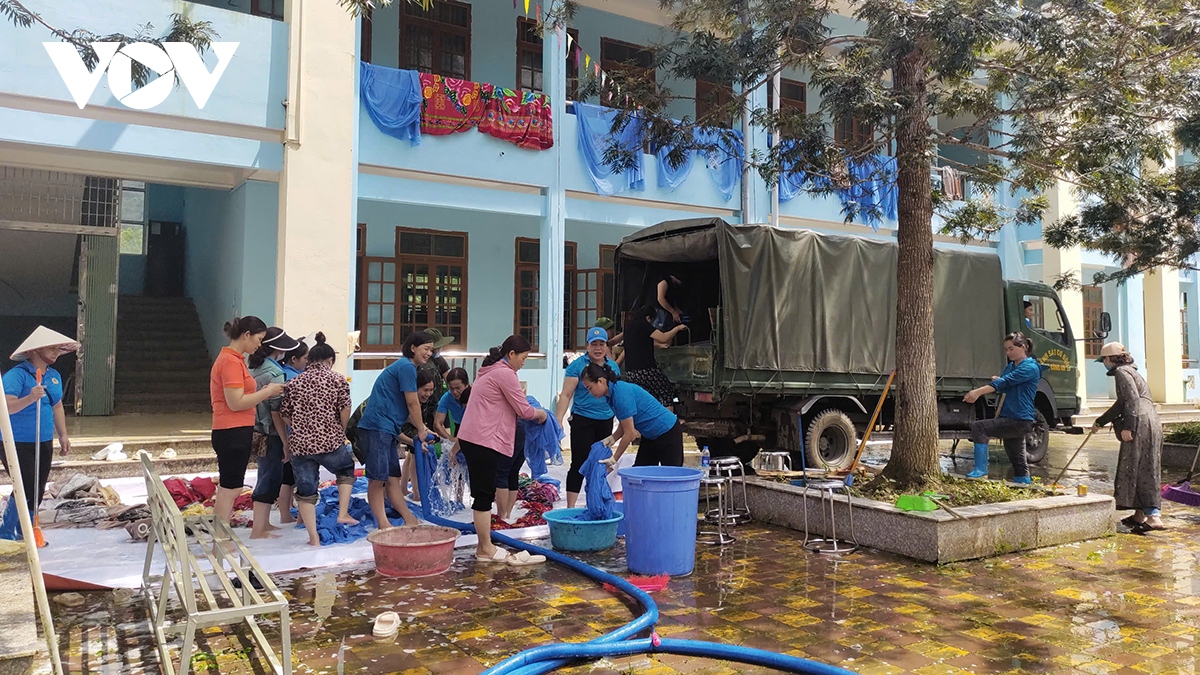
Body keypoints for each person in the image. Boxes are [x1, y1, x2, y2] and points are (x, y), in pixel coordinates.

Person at [457, 335, 548, 564]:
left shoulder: (491, 370)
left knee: (483, 492)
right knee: (484, 494)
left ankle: (483, 546)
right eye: (524, 358)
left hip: (475, 438)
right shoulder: (505, 373)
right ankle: (485, 547)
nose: (524, 362)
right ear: (511, 355)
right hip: (482, 440)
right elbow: (524, 410)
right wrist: (542, 414)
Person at [0, 326, 79, 546]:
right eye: (51, 348)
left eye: (57, 349)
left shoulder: (53, 376)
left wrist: (63, 435)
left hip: (43, 439)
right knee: (24, 484)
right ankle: (8, 529)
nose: (56, 353)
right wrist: (30, 398)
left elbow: (57, 407)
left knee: (38, 485)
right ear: (34, 351)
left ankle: (29, 527)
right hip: (16, 440)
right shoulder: (16, 376)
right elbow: (5, 407)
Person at [278, 333, 359, 546]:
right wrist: (340, 430)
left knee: (306, 490)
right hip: (329, 441)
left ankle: (313, 537)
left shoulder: (294, 382)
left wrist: (296, 426)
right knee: (345, 470)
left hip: (300, 445)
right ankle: (343, 513)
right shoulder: (338, 380)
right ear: (330, 361)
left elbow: (283, 412)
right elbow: (345, 408)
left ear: (310, 360)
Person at [210, 316, 285, 526]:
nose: (259, 345)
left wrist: (262, 392)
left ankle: (220, 537)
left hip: (236, 430)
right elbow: (236, 403)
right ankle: (220, 540)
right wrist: (267, 392)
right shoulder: (230, 362)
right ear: (246, 335)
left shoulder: (235, 360)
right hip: (231, 431)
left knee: (229, 487)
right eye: (259, 339)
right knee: (230, 489)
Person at [356, 332, 431, 529]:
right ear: (413, 348)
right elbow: (412, 402)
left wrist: (421, 429)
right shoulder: (407, 366)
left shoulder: (405, 367)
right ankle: (383, 523)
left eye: (432, 349)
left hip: (385, 428)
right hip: (376, 428)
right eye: (426, 348)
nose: (429, 353)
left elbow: (403, 410)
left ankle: (409, 518)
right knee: (377, 478)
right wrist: (421, 428)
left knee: (392, 478)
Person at [1092, 342, 1165, 533]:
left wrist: (1129, 427)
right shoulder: (1132, 371)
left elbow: (1131, 400)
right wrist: (1101, 421)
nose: (1104, 364)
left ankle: (1153, 516)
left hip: (1139, 423)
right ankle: (1140, 514)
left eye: (1104, 360)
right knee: (1141, 465)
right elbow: (1121, 403)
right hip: (1151, 421)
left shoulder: (1122, 373)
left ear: (1109, 359)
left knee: (1138, 467)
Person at [555, 327, 621, 508]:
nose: (598, 348)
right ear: (587, 345)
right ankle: (570, 507)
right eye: (594, 344)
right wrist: (558, 419)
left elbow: (618, 394)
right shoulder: (577, 366)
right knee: (579, 462)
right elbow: (566, 395)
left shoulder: (612, 367)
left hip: (605, 420)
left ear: (606, 346)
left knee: (600, 463)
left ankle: (595, 502)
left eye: (601, 344)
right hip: (583, 419)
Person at [963, 332, 1041, 483]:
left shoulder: (1030, 367)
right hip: (1010, 417)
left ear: (1023, 347)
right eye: (1006, 349)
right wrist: (1000, 381)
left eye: (1011, 349)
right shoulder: (1010, 367)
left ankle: (981, 470)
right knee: (1017, 459)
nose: (1008, 353)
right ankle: (1023, 484)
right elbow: (1006, 384)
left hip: (1020, 419)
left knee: (979, 428)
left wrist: (978, 392)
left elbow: (1004, 383)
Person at [247, 327, 300, 539]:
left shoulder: (253, 366)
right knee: (270, 477)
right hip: (271, 432)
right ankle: (259, 529)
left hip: (257, 429)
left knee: (266, 473)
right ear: (277, 349)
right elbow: (276, 411)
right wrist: (286, 441)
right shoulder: (275, 373)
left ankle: (264, 524)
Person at [579, 363, 685, 468]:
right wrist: (613, 438)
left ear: (601, 381)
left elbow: (630, 433)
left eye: (590, 388)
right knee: (640, 472)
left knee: (671, 475)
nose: (589, 392)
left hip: (667, 430)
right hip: (650, 435)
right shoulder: (610, 395)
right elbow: (625, 421)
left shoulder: (620, 393)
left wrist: (614, 459)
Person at [621, 304, 686, 406]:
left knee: (645, 397)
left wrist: (659, 345)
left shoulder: (629, 327)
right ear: (648, 318)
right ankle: (667, 421)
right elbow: (663, 337)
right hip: (646, 370)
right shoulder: (644, 325)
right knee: (667, 392)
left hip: (631, 372)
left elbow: (641, 342)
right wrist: (677, 328)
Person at [276, 338, 310, 523]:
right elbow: (283, 412)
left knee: (289, 478)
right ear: (294, 359)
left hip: (291, 434)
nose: (307, 363)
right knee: (289, 478)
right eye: (304, 358)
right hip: (293, 436)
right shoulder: (291, 379)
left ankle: (288, 510)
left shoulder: (289, 374)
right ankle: (285, 514)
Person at [398, 371, 438, 500]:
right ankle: (417, 493)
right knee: (416, 452)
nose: (428, 394)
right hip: (391, 427)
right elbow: (397, 430)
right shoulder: (407, 400)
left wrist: (424, 429)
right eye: (425, 390)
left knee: (413, 452)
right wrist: (419, 434)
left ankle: (403, 487)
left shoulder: (424, 401)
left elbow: (415, 420)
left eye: (431, 390)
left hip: (408, 425)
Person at [434, 368, 471, 442]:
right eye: (451, 388)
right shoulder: (447, 397)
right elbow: (437, 424)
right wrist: (450, 438)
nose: (455, 392)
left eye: (458, 388)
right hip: (459, 427)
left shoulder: (475, 395)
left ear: (466, 384)